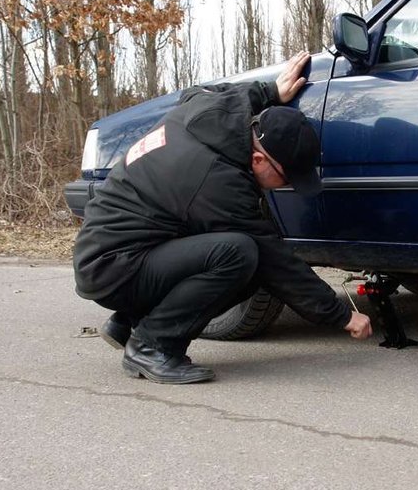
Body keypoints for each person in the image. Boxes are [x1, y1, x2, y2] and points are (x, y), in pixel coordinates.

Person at [73, 52, 372, 384]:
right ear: (259, 159)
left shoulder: (206, 113)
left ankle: (130, 319)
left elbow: (217, 93)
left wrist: (270, 91)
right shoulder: (217, 180)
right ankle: (152, 345)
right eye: (286, 178)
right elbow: (277, 262)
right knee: (240, 254)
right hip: (112, 268)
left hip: (117, 250)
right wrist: (340, 314)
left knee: (243, 256)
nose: (287, 187)